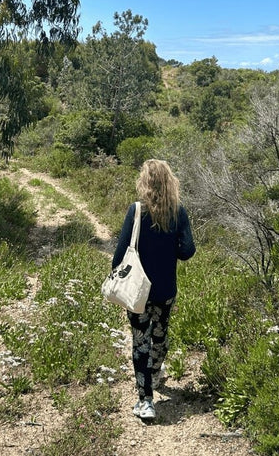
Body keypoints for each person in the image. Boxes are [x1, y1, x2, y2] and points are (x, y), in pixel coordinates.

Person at [112, 159, 196, 420]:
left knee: (140, 342)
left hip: (138, 291)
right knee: (160, 336)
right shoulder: (178, 212)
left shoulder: (136, 211)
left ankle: (145, 400)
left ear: (145, 182)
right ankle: (156, 373)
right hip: (165, 290)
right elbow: (188, 251)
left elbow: (119, 255)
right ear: (170, 182)